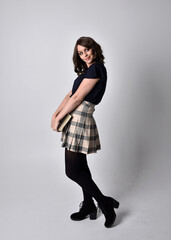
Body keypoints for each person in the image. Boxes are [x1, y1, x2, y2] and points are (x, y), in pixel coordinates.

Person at [51, 36, 120, 228]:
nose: (85, 55)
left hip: (80, 118)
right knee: (80, 166)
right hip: (75, 118)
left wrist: (58, 118)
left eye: (87, 50)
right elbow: (70, 95)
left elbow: (78, 98)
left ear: (94, 48)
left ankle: (104, 203)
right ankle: (89, 205)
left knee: (72, 171)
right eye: (80, 53)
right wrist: (55, 113)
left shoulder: (97, 68)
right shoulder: (87, 72)